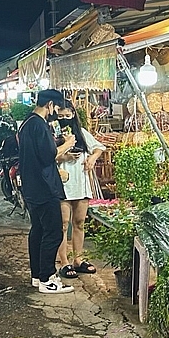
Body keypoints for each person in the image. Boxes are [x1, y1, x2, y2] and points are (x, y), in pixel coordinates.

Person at [19, 89, 77, 294]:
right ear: (50, 105)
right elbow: (47, 155)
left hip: (31, 186)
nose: (57, 113)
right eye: (57, 108)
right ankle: (47, 278)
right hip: (44, 187)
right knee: (53, 232)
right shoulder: (39, 125)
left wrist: (59, 144)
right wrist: (67, 145)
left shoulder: (27, 123)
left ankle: (37, 275)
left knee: (38, 231)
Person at [55, 105, 106, 279]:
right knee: (62, 225)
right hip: (62, 184)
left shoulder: (82, 133)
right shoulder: (53, 134)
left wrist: (92, 158)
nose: (64, 119)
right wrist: (64, 157)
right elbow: (46, 156)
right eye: (61, 116)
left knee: (79, 222)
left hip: (81, 183)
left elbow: (99, 147)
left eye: (67, 115)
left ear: (74, 115)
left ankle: (78, 259)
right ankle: (63, 262)